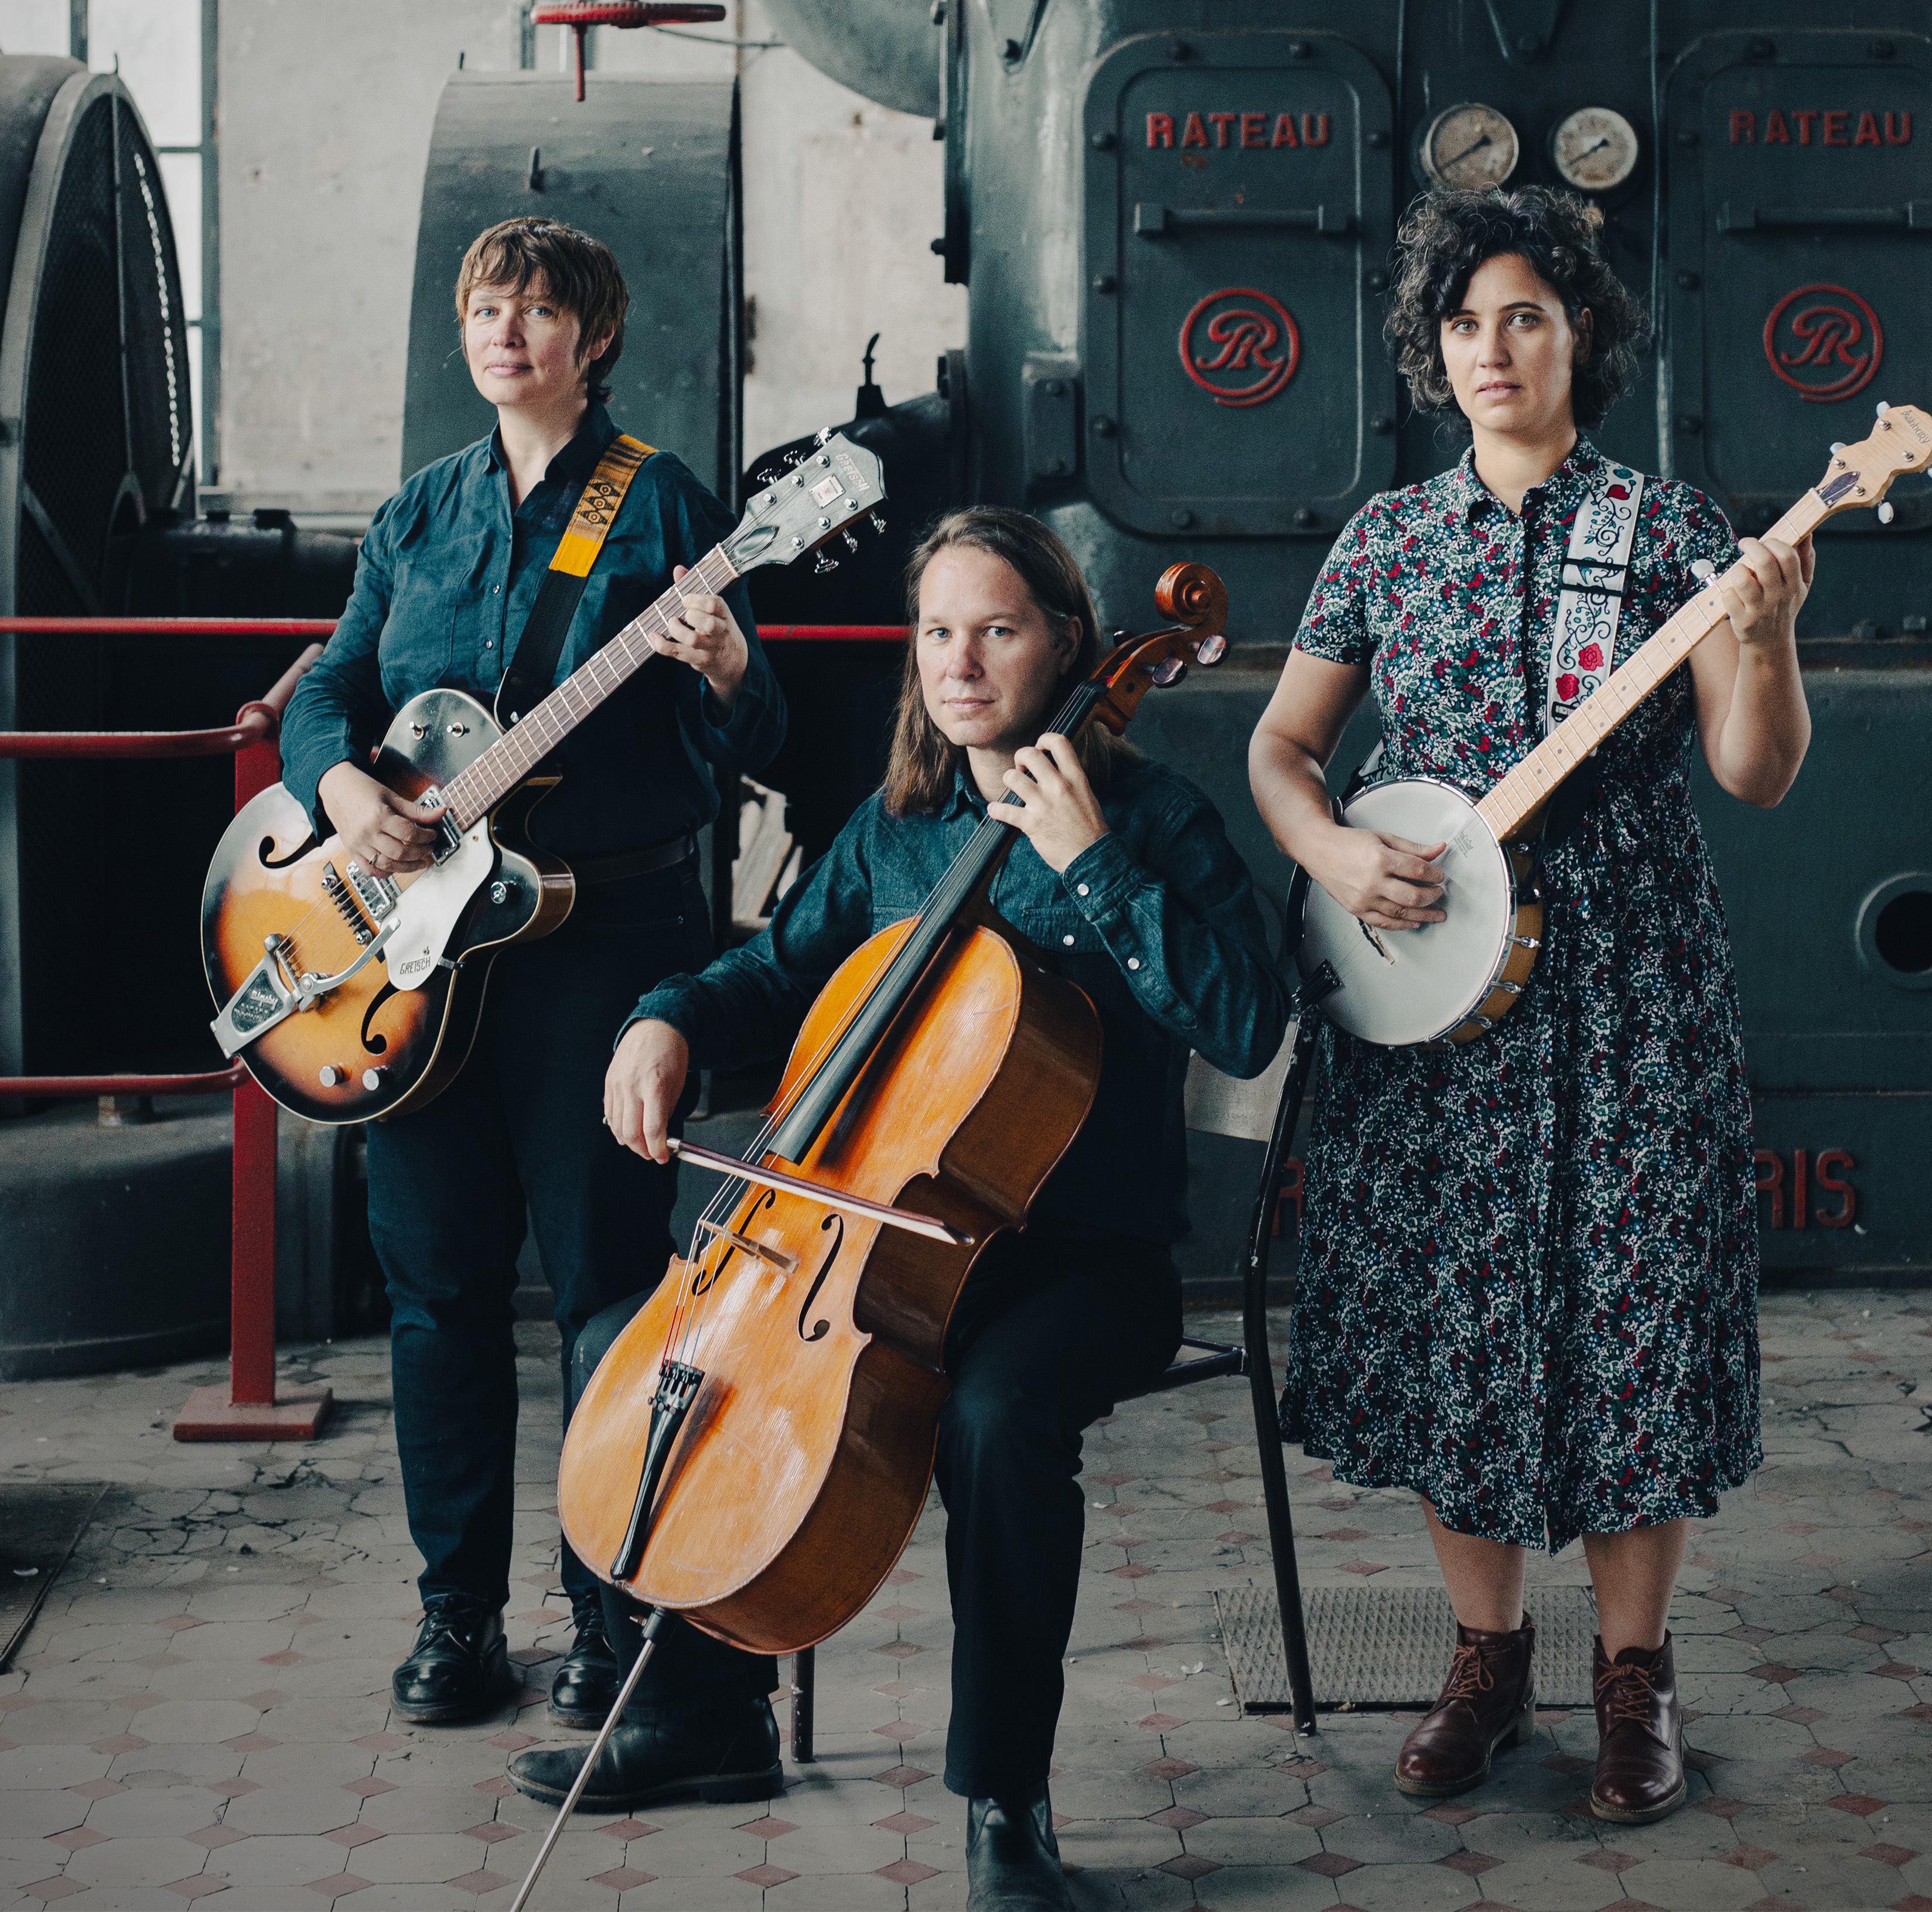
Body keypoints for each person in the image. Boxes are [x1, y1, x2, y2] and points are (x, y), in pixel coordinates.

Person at [507, 507, 1288, 1911]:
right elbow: (778, 973)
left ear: (1065, 644)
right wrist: (666, 1018)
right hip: (874, 1252)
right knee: (630, 1343)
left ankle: (1005, 1804)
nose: (962, 662)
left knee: (996, 1423)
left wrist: (1092, 858)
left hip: (1083, 1267)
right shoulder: (899, 827)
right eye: (937, 631)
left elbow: (1243, 1020)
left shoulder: (1155, 816)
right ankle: (703, 1710)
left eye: (997, 629)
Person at [1249, 185, 1811, 1825]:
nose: (1490, 346)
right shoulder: (1385, 539)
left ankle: (1631, 1678)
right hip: (1435, 995)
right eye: (1463, 320)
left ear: (1581, 337)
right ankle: (1482, 1655)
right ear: (1431, 351)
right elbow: (1281, 749)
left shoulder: (1673, 529)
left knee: (1635, 1312)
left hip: (1627, 986)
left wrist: (1762, 641)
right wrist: (1338, 853)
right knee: (1453, 1317)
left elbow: (1751, 770)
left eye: (1524, 316)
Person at [278, 217, 786, 1734]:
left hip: (599, 961)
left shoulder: (664, 507)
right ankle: (455, 1618)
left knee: (607, 1297)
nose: (509, 330)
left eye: (542, 310)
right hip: (423, 971)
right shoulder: (416, 516)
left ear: (595, 337)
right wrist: (343, 793)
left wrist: (724, 673)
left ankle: (605, 1612)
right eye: (489, 307)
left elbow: (754, 753)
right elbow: (332, 691)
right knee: (433, 1292)